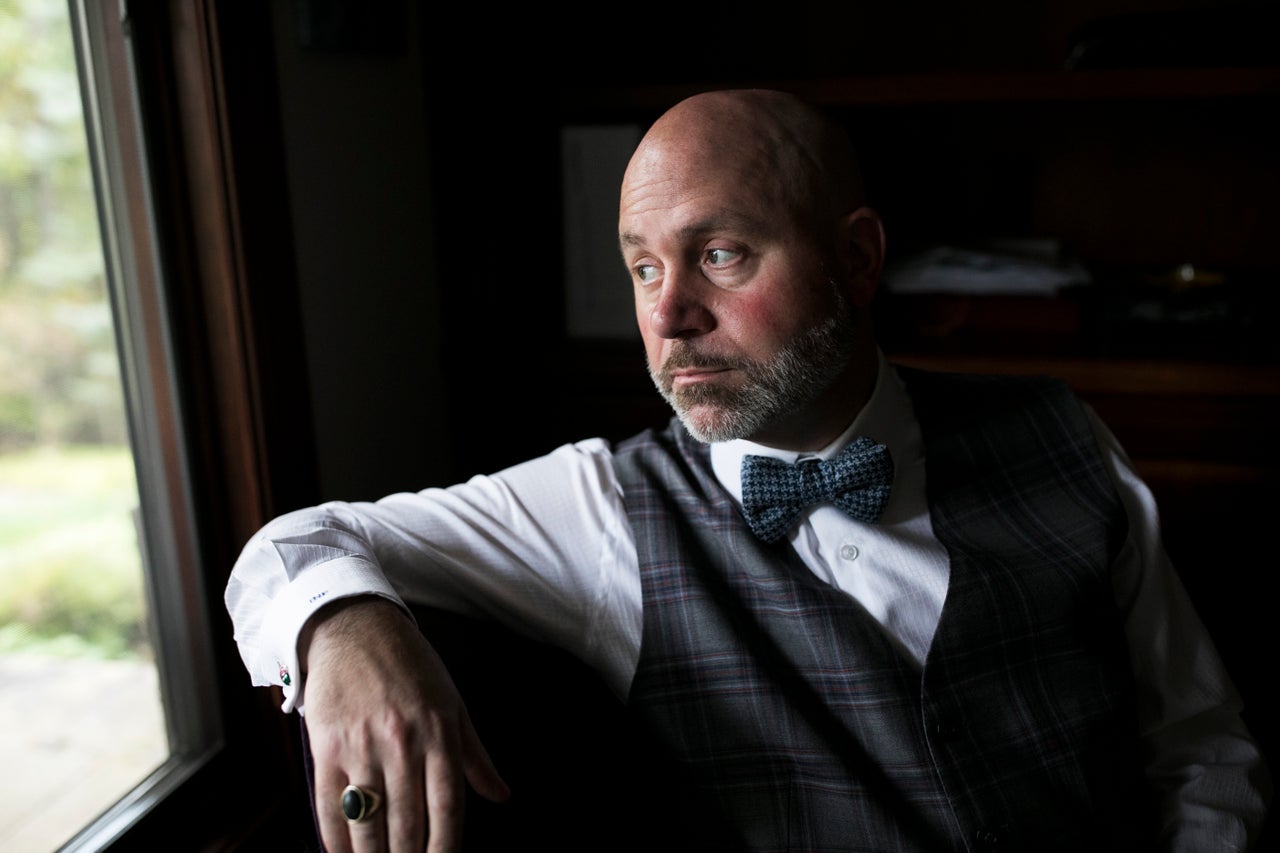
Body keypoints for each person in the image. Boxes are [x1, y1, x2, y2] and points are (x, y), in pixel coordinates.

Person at [226, 88, 1272, 852]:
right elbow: (289, 546)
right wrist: (345, 631)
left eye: (719, 253)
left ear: (856, 260)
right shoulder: (599, 509)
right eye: (642, 264)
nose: (667, 314)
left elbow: (1196, 740)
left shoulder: (1059, 434)